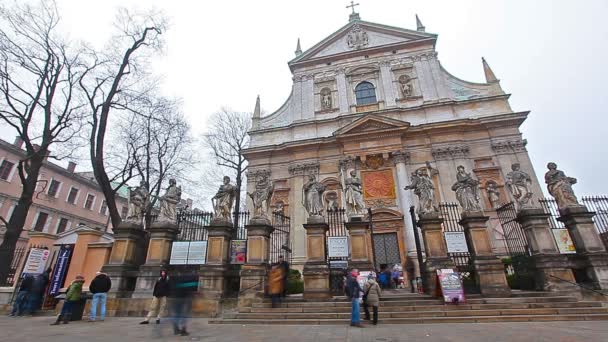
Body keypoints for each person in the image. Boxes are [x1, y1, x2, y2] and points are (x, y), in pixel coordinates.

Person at [169, 271, 198, 336]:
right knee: (185, 314)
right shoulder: (188, 278)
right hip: (184, 298)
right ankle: (183, 329)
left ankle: (176, 328)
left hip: (175, 297)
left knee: (177, 314)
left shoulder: (174, 278)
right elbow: (191, 286)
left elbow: (170, 287)